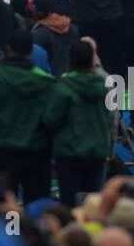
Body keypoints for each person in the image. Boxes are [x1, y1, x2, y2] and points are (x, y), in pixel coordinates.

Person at [0, 29, 57, 203]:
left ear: (8, 49)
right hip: (38, 154)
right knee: (37, 203)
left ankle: (10, 230)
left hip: (2, 154)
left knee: (1, 203)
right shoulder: (46, 81)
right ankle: (32, 230)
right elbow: (53, 118)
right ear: (31, 51)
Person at [43, 38, 112, 203]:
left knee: (70, 201)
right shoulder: (104, 87)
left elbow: (50, 120)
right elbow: (111, 118)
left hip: (69, 153)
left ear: (70, 60)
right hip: (97, 152)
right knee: (93, 201)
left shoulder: (63, 87)